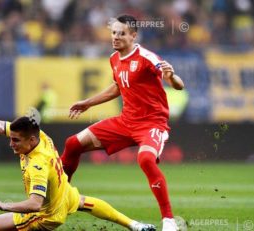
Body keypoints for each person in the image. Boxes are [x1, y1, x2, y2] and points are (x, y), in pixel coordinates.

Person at [60, 15, 185, 231]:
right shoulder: (114, 59)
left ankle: (169, 221)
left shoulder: (146, 57)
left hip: (152, 123)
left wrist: (172, 77)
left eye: (122, 33)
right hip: (125, 121)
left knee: (145, 159)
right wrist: (88, 103)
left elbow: (178, 84)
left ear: (133, 36)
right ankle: (59, 195)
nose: (116, 37)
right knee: (73, 143)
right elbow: (118, 86)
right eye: (114, 33)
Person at [0, 116, 157, 231]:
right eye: (11, 138)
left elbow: (34, 204)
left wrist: (5, 205)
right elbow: (0, 125)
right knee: (85, 202)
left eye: (15, 141)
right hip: (63, 191)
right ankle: (134, 225)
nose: (11, 144)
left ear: (31, 140)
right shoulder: (40, 135)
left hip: (47, 215)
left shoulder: (37, 165)